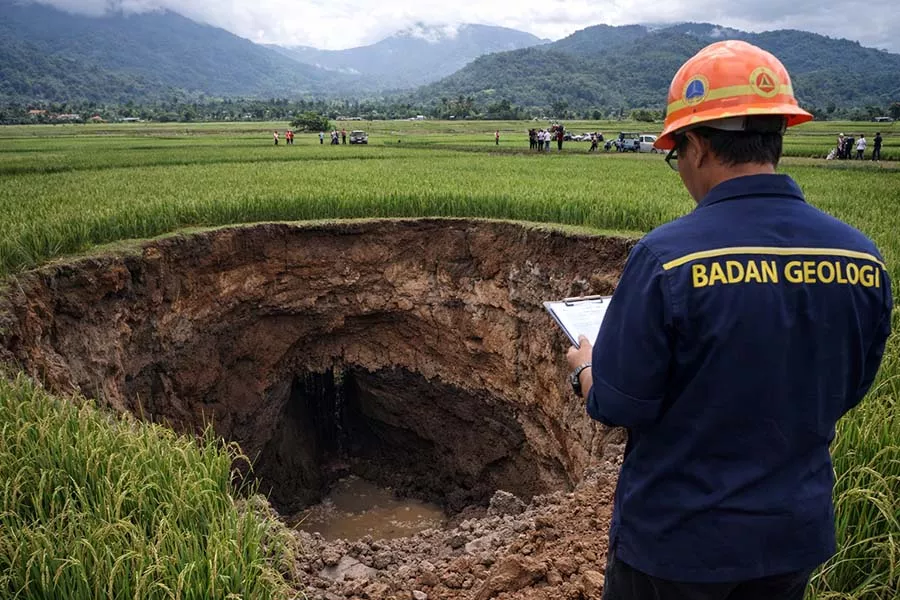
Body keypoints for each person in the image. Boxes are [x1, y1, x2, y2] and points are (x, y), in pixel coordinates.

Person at [565, 40, 892, 600]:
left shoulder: (667, 258)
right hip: (791, 537)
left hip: (678, 542)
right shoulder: (861, 258)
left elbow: (618, 403)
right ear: (778, 134)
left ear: (695, 146)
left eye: (676, 154)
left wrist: (585, 368)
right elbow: (848, 388)